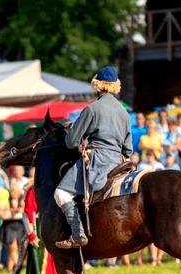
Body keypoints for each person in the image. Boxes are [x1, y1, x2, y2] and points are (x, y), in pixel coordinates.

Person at [53, 66, 132, 249]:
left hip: (97, 161)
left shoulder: (92, 109)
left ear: (97, 86)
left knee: (61, 193)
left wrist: (76, 136)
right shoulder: (124, 112)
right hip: (119, 163)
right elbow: (128, 149)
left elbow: (71, 142)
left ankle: (77, 234)